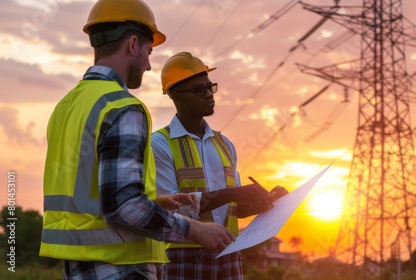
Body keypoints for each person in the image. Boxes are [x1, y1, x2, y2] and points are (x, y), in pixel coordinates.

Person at [40, 1, 234, 279]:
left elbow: (95, 192)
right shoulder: (122, 107)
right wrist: (196, 229)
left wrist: (156, 202)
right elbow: (123, 207)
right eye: (149, 51)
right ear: (132, 44)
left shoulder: (67, 106)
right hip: (120, 267)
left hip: (81, 269)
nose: (149, 65)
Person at [151, 52, 288, 279]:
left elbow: (233, 209)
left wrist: (267, 202)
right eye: (199, 89)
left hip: (229, 255)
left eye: (210, 87)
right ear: (176, 96)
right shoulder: (160, 144)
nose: (208, 94)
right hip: (184, 256)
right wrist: (235, 192)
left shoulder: (225, 145)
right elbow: (171, 207)